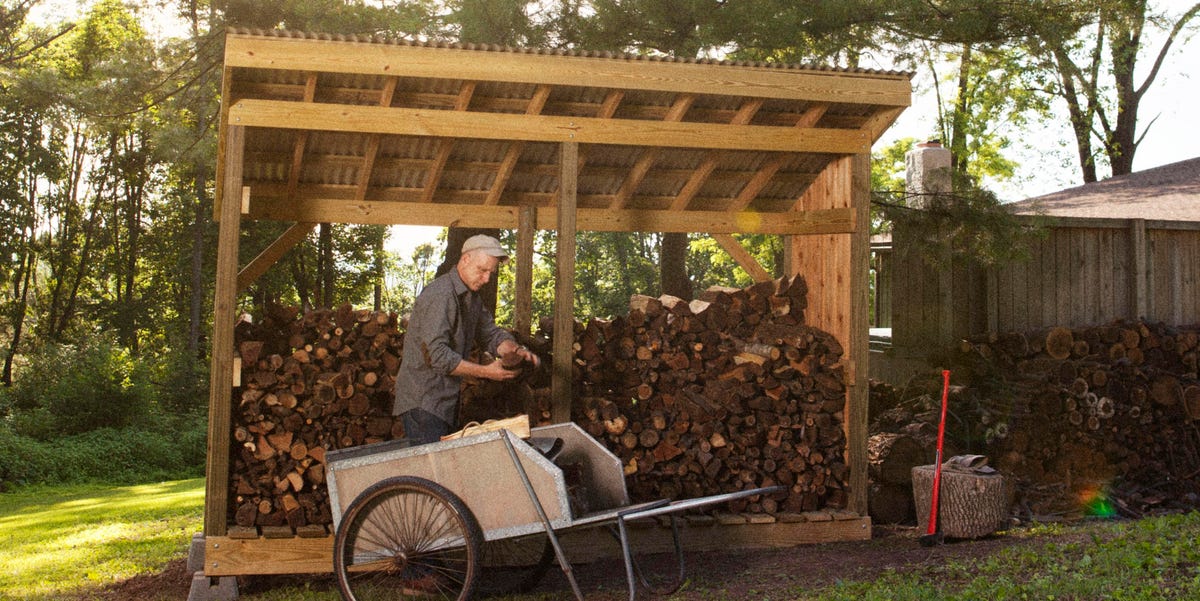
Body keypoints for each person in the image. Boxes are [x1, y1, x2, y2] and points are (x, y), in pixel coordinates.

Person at [392, 234, 540, 444]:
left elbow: (490, 333)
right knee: (434, 473)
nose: (487, 279)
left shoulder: (472, 298)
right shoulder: (440, 295)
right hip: (423, 404)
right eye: (482, 270)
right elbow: (438, 357)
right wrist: (487, 373)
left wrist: (515, 351)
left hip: (444, 403)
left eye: (491, 272)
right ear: (465, 260)